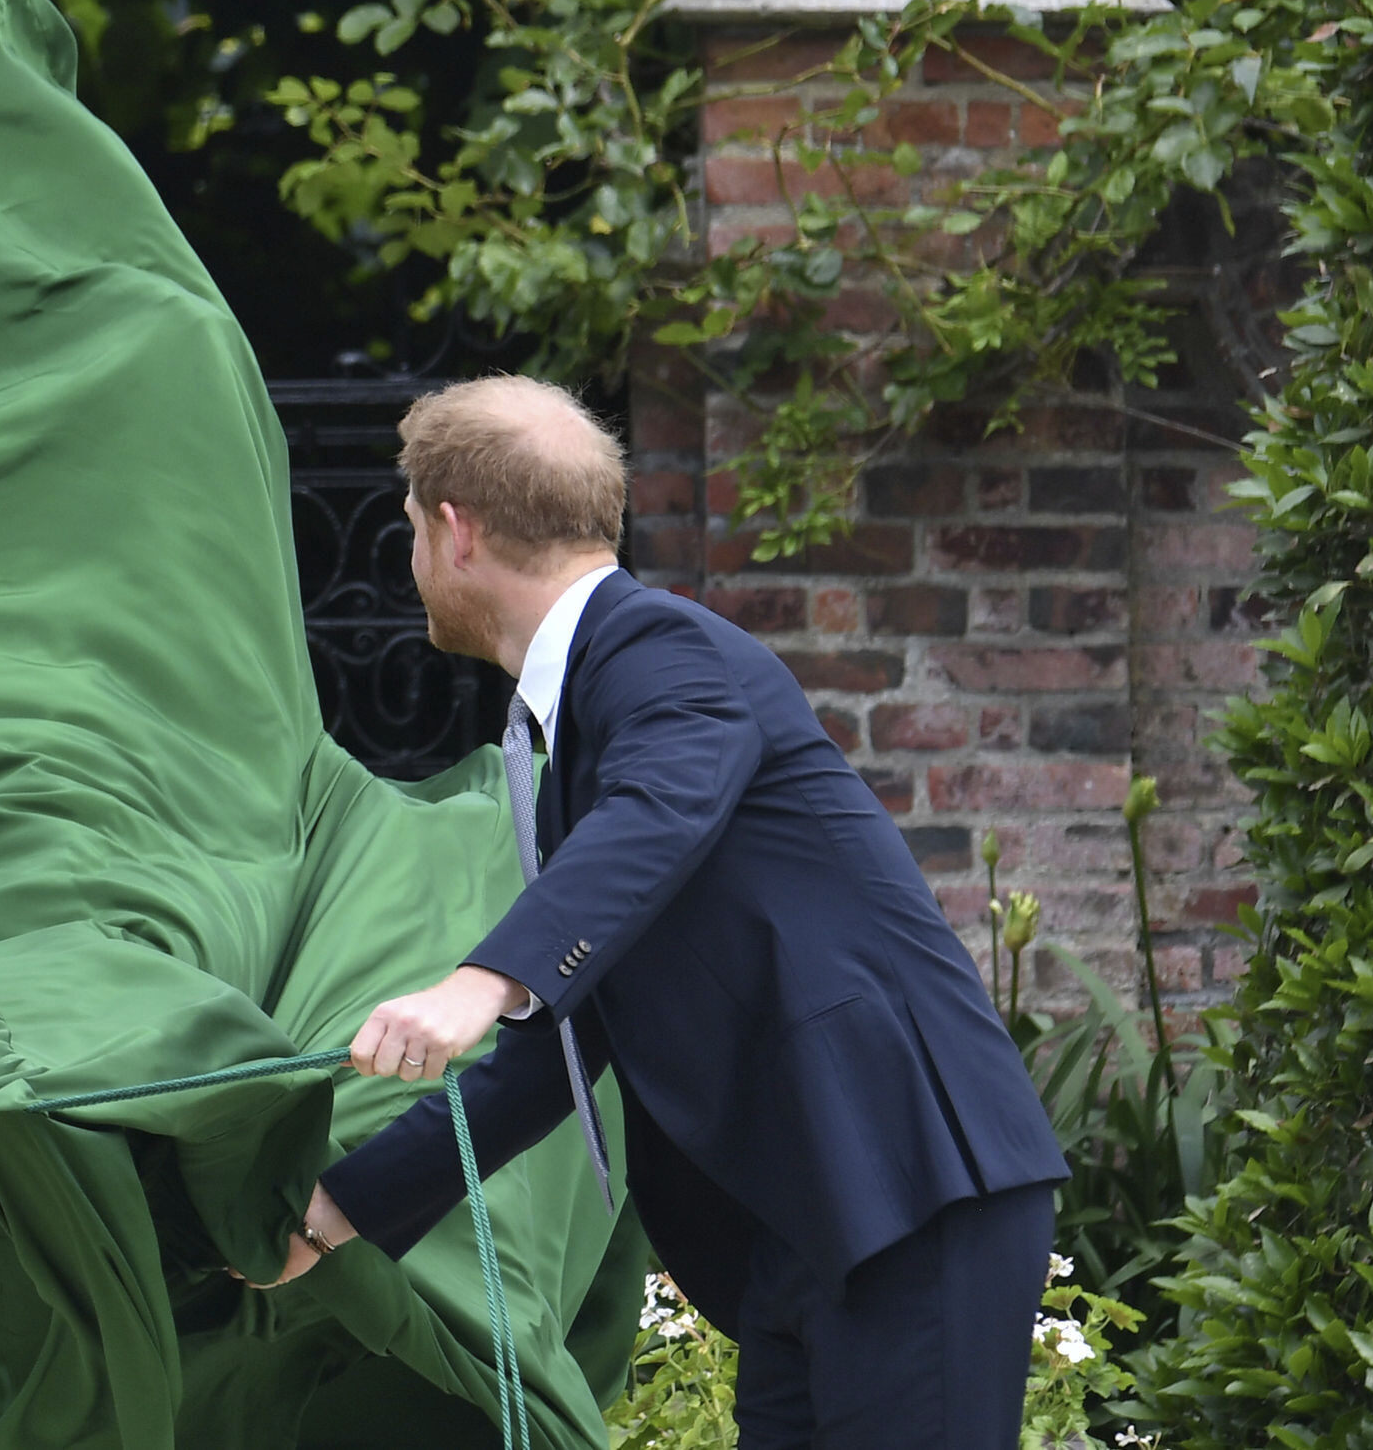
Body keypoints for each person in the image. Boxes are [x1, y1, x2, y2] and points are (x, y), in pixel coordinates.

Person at [268, 376, 1065, 1450]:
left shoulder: (658, 654)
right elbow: (551, 1058)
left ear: (453, 532)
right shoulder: (595, 714)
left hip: (905, 1186)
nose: (409, 560)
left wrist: (477, 982)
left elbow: (660, 806)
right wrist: (332, 1216)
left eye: (408, 528)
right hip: (814, 1219)